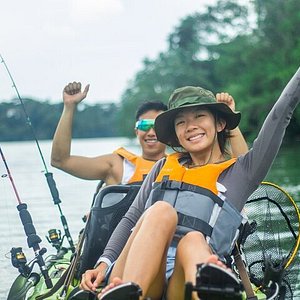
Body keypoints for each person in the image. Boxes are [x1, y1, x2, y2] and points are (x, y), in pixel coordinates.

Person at [80, 65, 300, 300]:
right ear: (175, 134)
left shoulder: (242, 173)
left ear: (220, 124)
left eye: (199, 116)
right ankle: (129, 295)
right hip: (140, 277)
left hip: (185, 284)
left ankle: (210, 290)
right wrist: (103, 264)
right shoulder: (162, 168)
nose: (191, 126)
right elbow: (131, 219)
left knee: (193, 239)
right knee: (161, 211)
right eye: (181, 122)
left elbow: (281, 113)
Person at [51, 82, 247, 186]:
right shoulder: (118, 165)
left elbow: (245, 168)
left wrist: (229, 118)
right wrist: (69, 108)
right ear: (136, 130)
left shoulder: (187, 164)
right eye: (144, 125)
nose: (151, 131)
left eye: (156, 125)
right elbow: (60, 161)